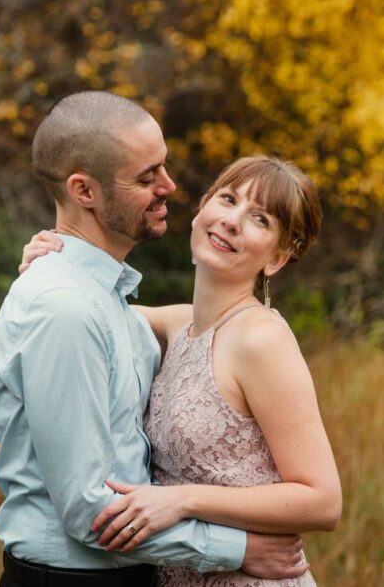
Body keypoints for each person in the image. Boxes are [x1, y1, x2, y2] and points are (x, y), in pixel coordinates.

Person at [0, 91, 309, 587]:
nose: (169, 186)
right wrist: (234, 549)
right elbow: (89, 508)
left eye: (164, 168)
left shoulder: (112, 304)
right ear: (84, 191)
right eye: (146, 176)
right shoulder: (66, 306)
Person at [20, 155, 343, 586]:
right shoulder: (177, 325)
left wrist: (182, 500)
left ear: (276, 259)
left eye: (259, 219)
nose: (231, 221)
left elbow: (322, 501)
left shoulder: (261, 339)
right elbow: (84, 311)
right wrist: (52, 260)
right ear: (201, 209)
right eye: (227, 199)